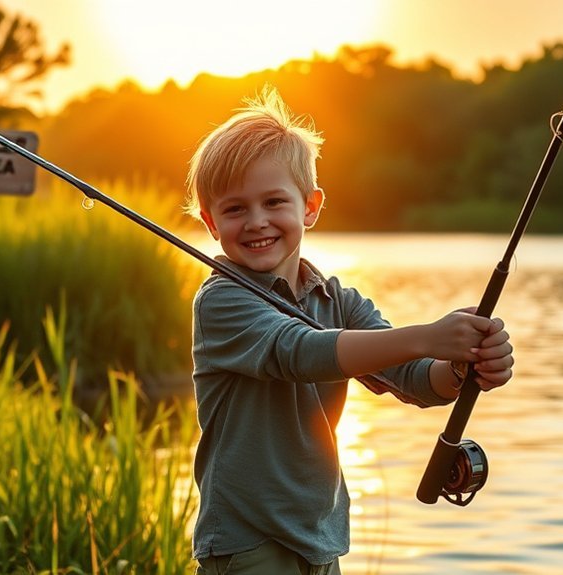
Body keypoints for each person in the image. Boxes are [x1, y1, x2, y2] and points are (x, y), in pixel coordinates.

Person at [183, 87, 514, 575]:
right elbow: (297, 352)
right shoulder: (222, 299)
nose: (257, 222)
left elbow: (416, 378)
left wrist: (463, 366)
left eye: (274, 201)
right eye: (235, 209)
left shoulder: (337, 300)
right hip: (248, 545)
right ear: (211, 222)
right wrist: (428, 334)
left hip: (321, 541)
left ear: (311, 207)